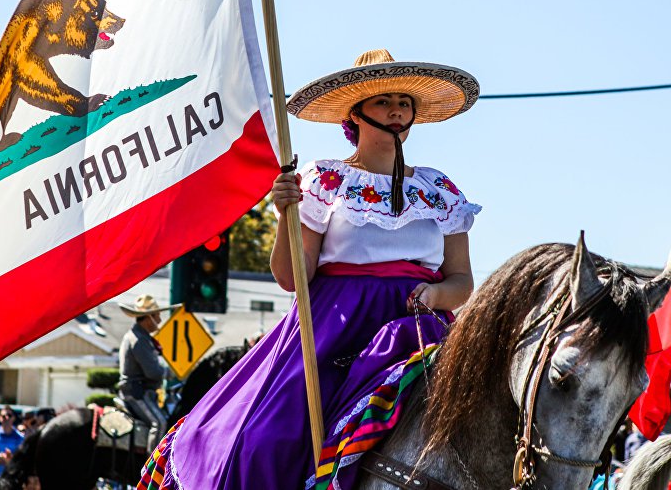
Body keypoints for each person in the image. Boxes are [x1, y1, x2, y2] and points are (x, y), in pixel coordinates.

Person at [140, 49, 480, 489]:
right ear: (356, 114)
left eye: (404, 100)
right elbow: (290, 277)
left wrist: (436, 296)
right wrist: (285, 213)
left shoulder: (439, 189)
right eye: (383, 100)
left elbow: (462, 281)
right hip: (334, 327)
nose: (397, 108)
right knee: (261, 440)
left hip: (418, 327)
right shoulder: (325, 181)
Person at [116, 295, 172, 451]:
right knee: (159, 422)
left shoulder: (140, 337)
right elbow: (153, 372)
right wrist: (169, 373)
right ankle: (151, 468)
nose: (160, 320)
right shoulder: (139, 340)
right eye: (157, 316)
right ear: (148, 318)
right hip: (136, 393)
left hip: (138, 390)